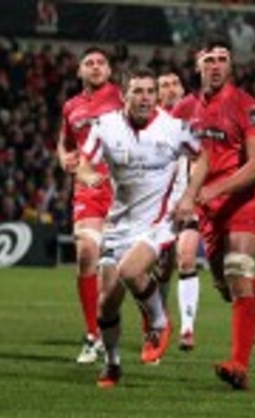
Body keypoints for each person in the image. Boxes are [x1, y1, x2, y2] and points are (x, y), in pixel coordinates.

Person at [171, 36, 255, 390]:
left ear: (231, 64)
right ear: (197, 64)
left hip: (242, 202)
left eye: (222, 59)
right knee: (227, 288)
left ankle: (239, 366)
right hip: (206, 210)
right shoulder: (183, 109)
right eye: (209, 59)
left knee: (239, 275)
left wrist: (213, 190)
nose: (216, 66)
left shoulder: (249, 106)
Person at [77, 68, 208, 388]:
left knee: (131, 270)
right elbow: (83, 163)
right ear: (124, 95)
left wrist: (189, 196)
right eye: (138, 91)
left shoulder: (174, 128)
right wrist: (88, 175)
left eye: (150, 91)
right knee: (106, 303)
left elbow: (203, 158)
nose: (145, 98)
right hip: (120, 223)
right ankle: (113, 364)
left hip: (159, 221)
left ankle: (160, 323)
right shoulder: (105, 126)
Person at [57, 47, 123, 364]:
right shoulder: (71, 106)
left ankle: (152, 323)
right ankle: (92, 335)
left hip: (123, 190)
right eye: (89, 63)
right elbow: (66, 143)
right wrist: (63, 157)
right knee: (86, 254)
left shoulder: (123, 98)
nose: (95, 67)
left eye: (100, 63)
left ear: (109, 71)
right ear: (80, 71)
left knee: (126, 272)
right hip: (88, 187)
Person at [156, 69, 201, 351]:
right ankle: (159, 324)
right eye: (164, 85)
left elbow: (203, 160)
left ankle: (187, 328)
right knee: (162, 270)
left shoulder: (195, 122)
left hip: (188, 202)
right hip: (158, 207)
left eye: (175, 84)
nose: (171, 89)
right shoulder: (151, 124)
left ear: (183, 90)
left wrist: (191, 195)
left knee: (186, 258)